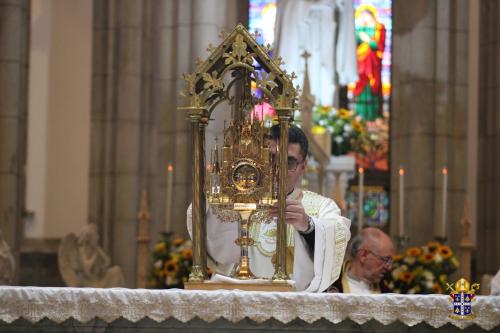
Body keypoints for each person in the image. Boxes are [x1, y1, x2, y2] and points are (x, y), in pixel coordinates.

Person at [187, 125, 351, 292]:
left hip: (294, 306)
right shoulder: (233, 198)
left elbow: (337, 240)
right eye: (271, 158)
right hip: (236, 301)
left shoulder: (322, 207)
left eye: (288, 162)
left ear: (303, 166)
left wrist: (308, 226)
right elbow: (201, 221)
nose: (276, 169)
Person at [327, 227, 394, 293]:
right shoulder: (329, 285)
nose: (389, 267)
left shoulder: (386, 292)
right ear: (363, 255)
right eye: (385, 259)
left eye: (390, 261)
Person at [353, 4, 386, 121]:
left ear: (372, 17)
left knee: (374, 87)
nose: (364, 19)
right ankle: (360, 113)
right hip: (360, 64)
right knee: (361, 87)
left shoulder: (379, 28)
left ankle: (374, 115)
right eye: (362, 16)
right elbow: (353, 43)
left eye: (366, 16)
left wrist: (367, 39)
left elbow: (379, 46)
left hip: (373, 64)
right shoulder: (358, 29)